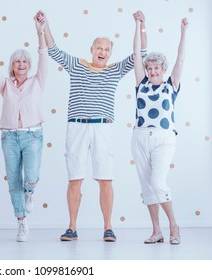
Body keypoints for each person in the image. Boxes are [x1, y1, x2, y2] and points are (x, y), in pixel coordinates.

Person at [40, 10, 147, 242]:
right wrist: (45, 24)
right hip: (77, 126)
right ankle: (72, 227)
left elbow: (141, 54)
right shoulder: (77, 66)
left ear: (110, 54)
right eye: (99, 48)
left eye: (107, 49)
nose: (103, 52)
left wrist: (141, 26)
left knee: (105, 178)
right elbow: (54, 51)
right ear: (91, 50)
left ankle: (108, 227)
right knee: (74, 179)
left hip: (103, 128)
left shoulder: (115, 70)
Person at [0, 12, 48, 242]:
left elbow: (43, 55)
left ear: (29, 65)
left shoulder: (37, 81)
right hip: (9, 137)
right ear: (12, 65)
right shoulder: (5, 85)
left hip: (33, 136)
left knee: (30, 176)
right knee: (13, 180)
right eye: (17, 61)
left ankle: (29, 193)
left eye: (24, 61)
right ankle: (21, 222)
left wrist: (39, 30)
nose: (21, 64)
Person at [132, 14, 188, 245]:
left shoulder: (170, 85)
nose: (153, 71)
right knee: (147, 186)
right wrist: (138, 25)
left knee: (158, 183)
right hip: (140, 136)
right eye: (150, 67)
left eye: (157, 67)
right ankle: (157, 231)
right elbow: (136, 54)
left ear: (163, 69)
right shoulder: (141, 84)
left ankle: (173, 225)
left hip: (164, 138)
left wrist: (183, 31)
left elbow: (181, 59)